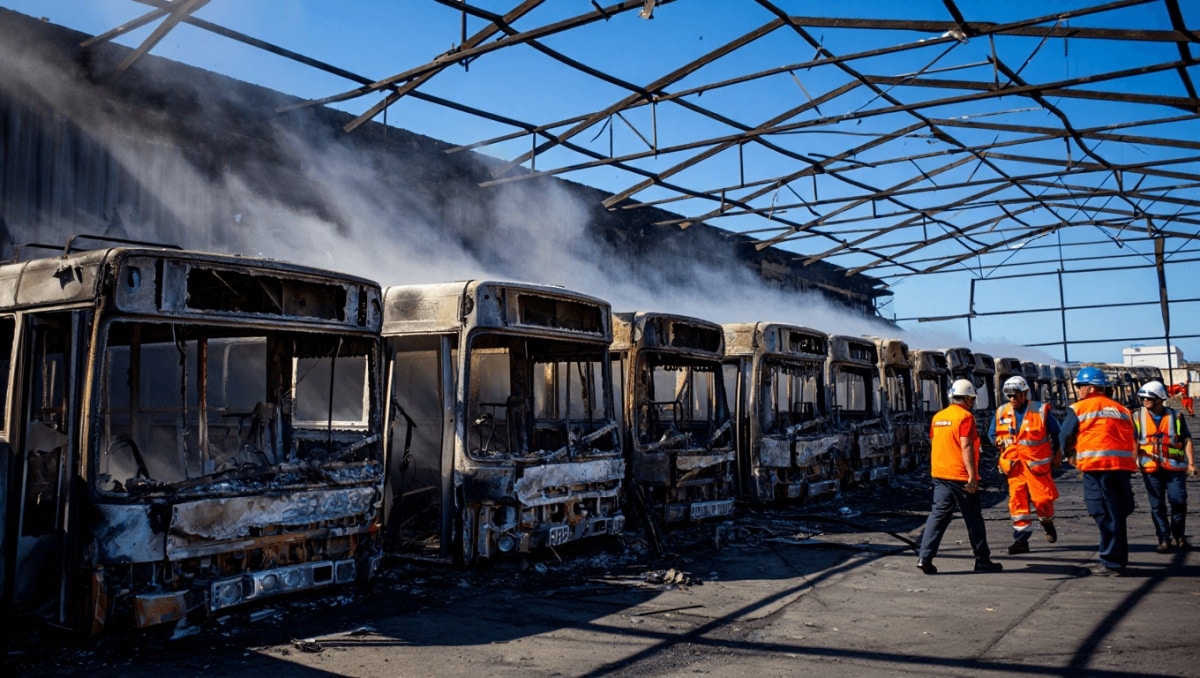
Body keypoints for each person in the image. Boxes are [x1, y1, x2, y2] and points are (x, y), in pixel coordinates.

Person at [916, 379, 1003, 574]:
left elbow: (934, 442)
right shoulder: (965, 417)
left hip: (939, 473)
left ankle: (925, 557)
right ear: (966, 399)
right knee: (973, 518)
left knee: (938, 515)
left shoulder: (938, 417)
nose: (972, 402)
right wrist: (972, 476)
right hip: (960, 474)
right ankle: (982, 560)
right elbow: (966, 446)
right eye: (971, 398)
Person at [1060, 366, 1138, 576]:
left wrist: (1069, 454)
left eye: (1081, 386)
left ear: (1092, 388)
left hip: (1097, 468)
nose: (1078, 390)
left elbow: (1065, 434)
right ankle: (1118, 560)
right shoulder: (1122, 409)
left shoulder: (1080, 408)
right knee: (1118, 514)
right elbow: (1134, 436)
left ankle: (1111, 563)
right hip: (1121, 468)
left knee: (1103, 513)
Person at [989, 375, 1062, 555]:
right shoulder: (1001, 412)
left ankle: (1047, 523)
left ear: (1025, 394)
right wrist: (999, 442)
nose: (1012, 399)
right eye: (1009, 396)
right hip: (1014, 467)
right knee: (1017, 503)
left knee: (1042, 500)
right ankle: (1021, 540)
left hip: (1037, 466)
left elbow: (1058, 434)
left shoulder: (1040, 411)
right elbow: (992, 435)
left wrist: (1058, 455)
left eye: (1015, 395)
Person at [1131, 380, 1196, 553]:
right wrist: (1133, 461)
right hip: (1150, 469)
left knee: (1178, 501)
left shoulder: (1177, 417)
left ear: (1160, 399)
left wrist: (1191, 463)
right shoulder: (1137, 417)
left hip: (1175, 468)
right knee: (1157, 506)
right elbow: (1134, 442)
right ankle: (1164, 539)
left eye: (1148, 398)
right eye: (1143, 398)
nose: (1144, 401)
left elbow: (1186, 440)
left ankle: (1179, 536)